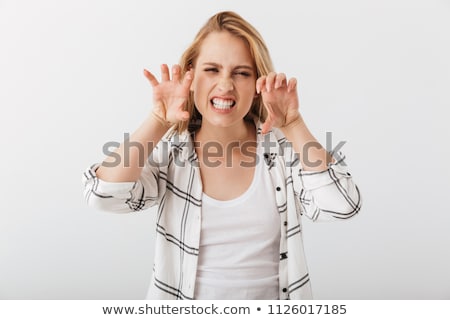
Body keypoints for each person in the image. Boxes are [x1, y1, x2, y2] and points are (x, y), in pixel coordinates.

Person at [82, 11, 361, 300]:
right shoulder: (171, 153)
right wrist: (158, 121)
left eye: (241, 73)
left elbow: (343, 206)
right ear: (190, 76)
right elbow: (103, 196)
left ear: (257, 85)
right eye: (212, 69)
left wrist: (293, 125)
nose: (226, 85)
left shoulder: (282, 152)